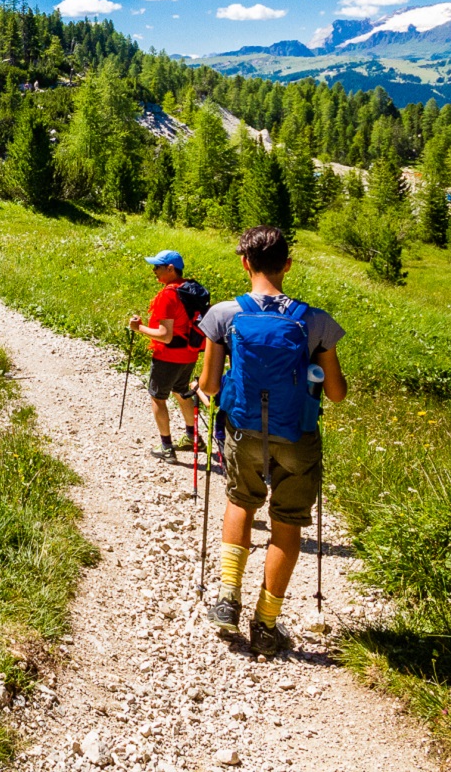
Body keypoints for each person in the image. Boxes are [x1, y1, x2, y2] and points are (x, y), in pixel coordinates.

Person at [194, 226, 347, 655]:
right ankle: (265, 623)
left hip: (244, 431)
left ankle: (227, 598)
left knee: (241, 501)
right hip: (296, 435)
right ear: (287, 265)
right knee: (287, 521)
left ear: (245, 262)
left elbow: (208, 384)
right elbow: (336, 393)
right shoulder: (314, 320)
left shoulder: (224, 315)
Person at [127, 250, 205, 465]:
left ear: (170, 269)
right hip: (189, 353)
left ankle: (166, 447)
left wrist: (139, 327)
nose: (154, 271)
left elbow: (165, 335)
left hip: (168, 357)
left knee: (158, 398)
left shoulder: (168, 295)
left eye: (157, 267)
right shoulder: (191, 290)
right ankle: (192, 437)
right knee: (181, 391)